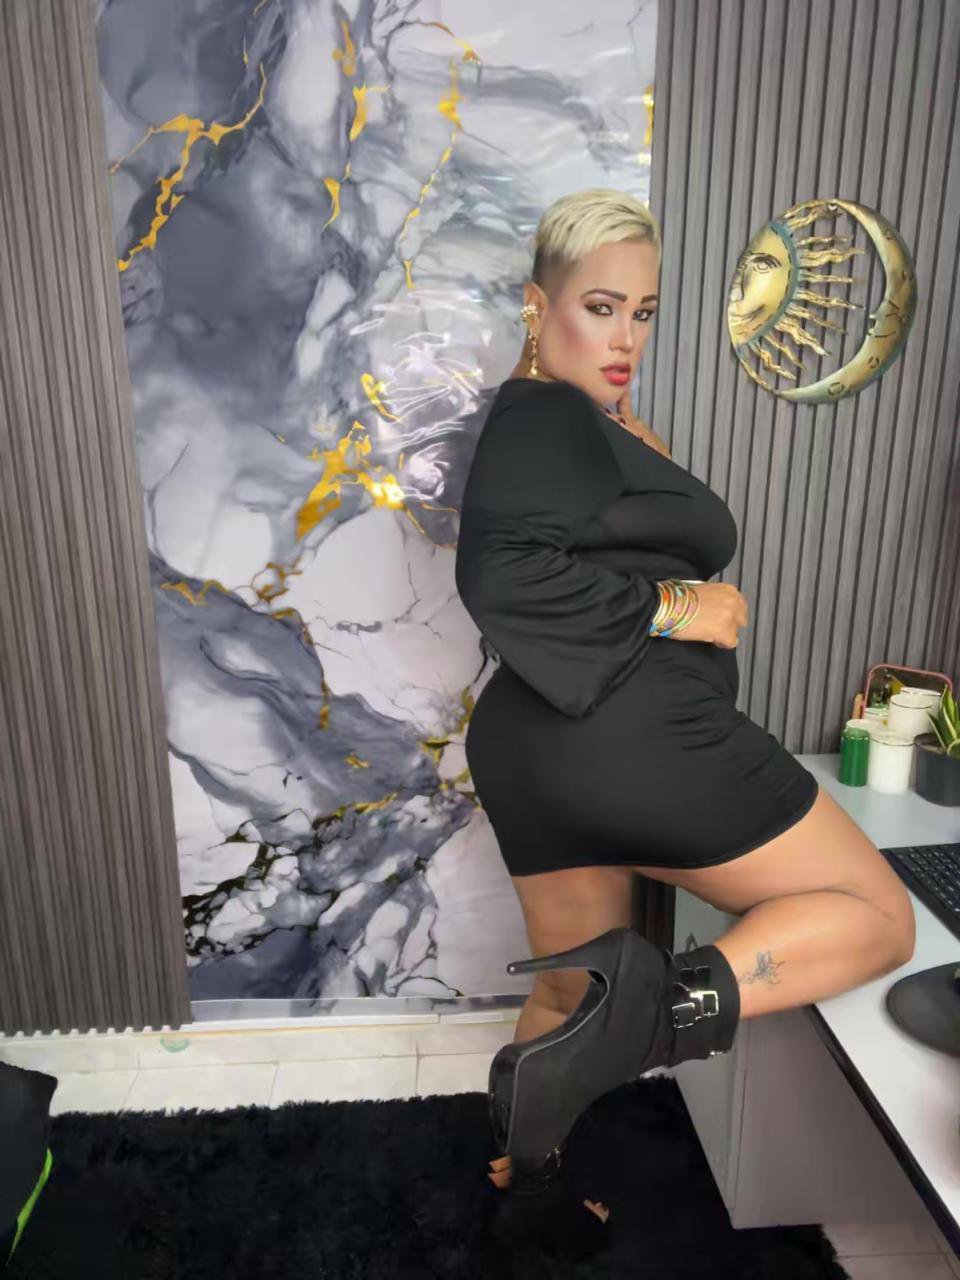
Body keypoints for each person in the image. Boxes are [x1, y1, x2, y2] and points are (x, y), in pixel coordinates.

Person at [454, 188, 916, 1258]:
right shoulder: (545, 413)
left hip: (538, 745)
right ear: (538, 307)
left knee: (567, 989)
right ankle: (648, 1022)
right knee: (876, 915)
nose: (626, 337)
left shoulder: (583, 423)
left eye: (645, 312)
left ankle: (528, 1202)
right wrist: (679, 604)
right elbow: (499, 574)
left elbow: (549, 547)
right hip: (638, 734)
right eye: (599, 307)